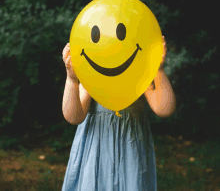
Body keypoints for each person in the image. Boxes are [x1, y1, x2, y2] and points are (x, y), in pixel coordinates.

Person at [61, 36, 176, 191]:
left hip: (131, 153)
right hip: (96, 155)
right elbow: (73, 117)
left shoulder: (139, 74)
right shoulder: (93, 77)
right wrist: (72, 81)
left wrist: (159, 71)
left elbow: (164, 109)